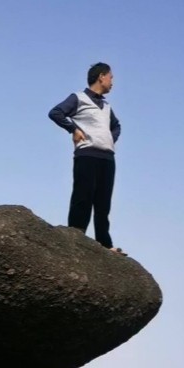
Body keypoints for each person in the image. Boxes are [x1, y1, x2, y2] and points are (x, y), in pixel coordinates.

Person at [48, 62, 125, 254]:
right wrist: (73, 129)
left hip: (107, 158)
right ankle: (75, 237)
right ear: (101, 77)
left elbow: (116, 126)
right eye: (111, 77)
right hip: (87, 154)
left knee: (103, 202)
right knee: (83, 197)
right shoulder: (79, 98)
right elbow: (56, 112)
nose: (112, 81)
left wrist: (110, 139)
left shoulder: (106, 106)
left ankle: (105, 244)